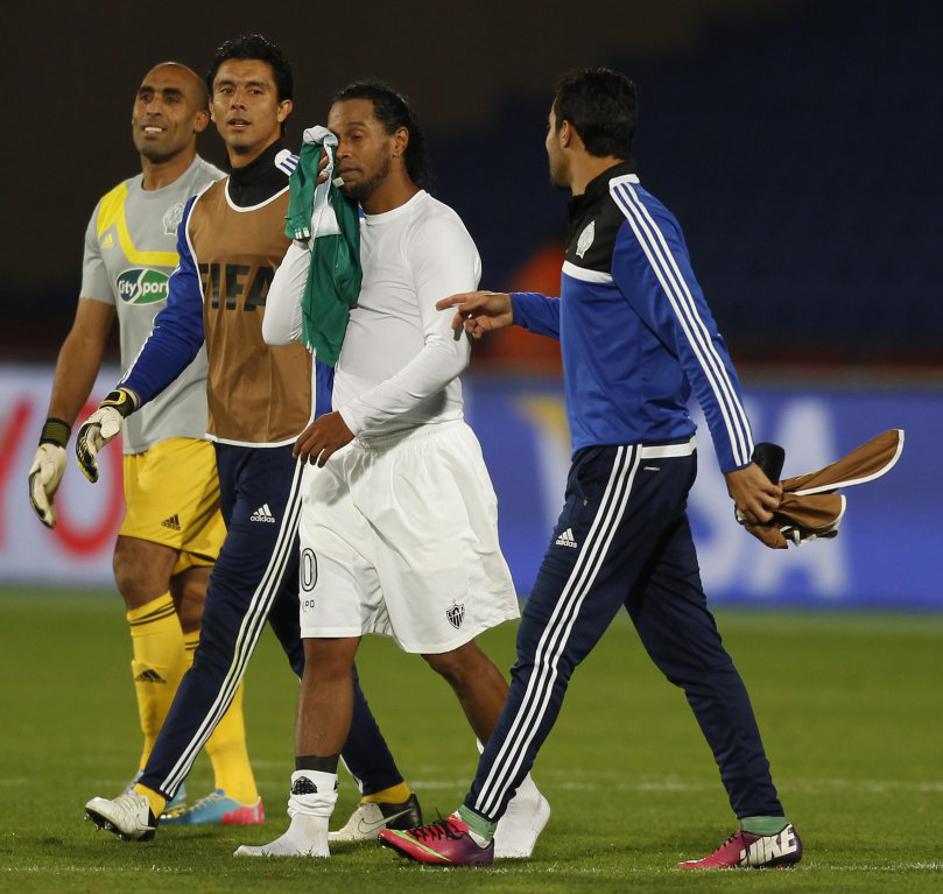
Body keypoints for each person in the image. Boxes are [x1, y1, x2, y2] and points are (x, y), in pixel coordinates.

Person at [380, 67, 804, 870]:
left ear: (568, 132)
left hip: (627, 467)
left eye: (549, 127)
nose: (545, 139)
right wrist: (516, 307)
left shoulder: (634, 219)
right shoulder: (596, 223)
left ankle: (475, 826)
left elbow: (698, 339)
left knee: (544, 647)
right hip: (634, 465)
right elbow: (602, 318)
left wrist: (739, 459)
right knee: (693, 655)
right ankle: (764, 826)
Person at [78, 35, 417, 843]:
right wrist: (120, 402)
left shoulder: (314, 194)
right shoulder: (202, 211)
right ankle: (391, 795)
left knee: (224, 620)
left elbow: (361, 294)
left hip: (293, 448)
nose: (236, 101)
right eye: (226, 88)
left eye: (254, 91)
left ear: (283, 108)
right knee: (301, 637)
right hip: (228, 443)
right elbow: (182, 321)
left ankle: (150, 792)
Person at [235, 81, 549, 860]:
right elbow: (279, 326)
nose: (339, 152)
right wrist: (307, 225)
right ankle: (307, 826)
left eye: (355, 135)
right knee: (325, 646)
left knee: (449, 652)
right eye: (331, 139)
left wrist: (355, 418)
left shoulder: (435, 230)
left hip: (418, 462)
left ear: (397, 140)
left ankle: (518, 796)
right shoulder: (337, 227)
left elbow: (446, 354)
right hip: (341, 472)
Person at [28, 61, 265, 825]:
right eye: (144, 95)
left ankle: (154, 778)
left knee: (136, 567)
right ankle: (235, 790)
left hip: (207, 424)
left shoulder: (219, 198)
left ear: (201, 120)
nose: (153, 107)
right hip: (142, 433)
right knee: (193, 601)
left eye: (172, 98)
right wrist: (54, 435)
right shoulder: (110, 211)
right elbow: (86, 334)